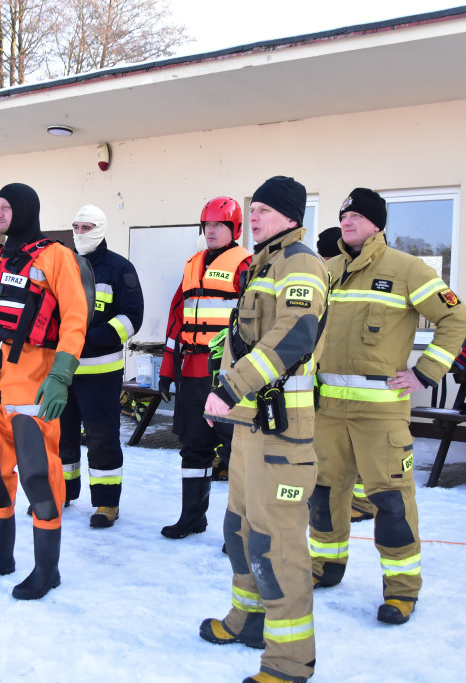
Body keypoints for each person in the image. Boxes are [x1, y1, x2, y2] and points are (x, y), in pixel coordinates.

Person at [308, 188, 466, 626]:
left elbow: (457, 318)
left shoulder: (407, 269)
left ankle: (401, 590)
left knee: (391, 503)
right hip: (327, 410)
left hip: (380, 413)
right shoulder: (327, 270)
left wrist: (425, 373)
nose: (347, 221)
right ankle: (324, 567)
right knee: (323, 494)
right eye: (343, 216)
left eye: (357, 216)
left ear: (377, 224)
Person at [200, 176, 327, 683]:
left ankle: (289, 662)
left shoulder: (302, 264)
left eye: (266, 210)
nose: (254, 217)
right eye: (253, 209)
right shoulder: (263, 264)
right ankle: (247, 619)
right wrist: (222, 394)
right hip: (250, 425)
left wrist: (231, 387)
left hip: (283, 432)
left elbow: (294, 335)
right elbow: (244, 340)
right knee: (240, 529)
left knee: (277, 545)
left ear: (292, 216)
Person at [0, 182, 92, 600]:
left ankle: (47, 570)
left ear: (25, 209)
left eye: (6, 207)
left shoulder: (56, 256)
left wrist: (61, 375)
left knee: (38, 478)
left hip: (32, 394)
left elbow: (76, 317)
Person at [157, 197, 251, 539]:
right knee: (193, 447)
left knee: (236, 452)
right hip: (192, 371)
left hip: (227, 374)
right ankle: (192, 517)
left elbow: (253, 323)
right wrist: (167, 370)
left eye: (218, 225)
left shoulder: (246, 265)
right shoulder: (191, 265)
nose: (211, 230)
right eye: (207, 225)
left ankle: (240, 529)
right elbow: (176, 321)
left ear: (234, 229)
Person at [59, 204, 143, 528]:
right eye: (76, 227)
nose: (79, 233)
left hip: (100, 372)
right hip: (63, 370)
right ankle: (61, 492)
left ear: (101, 228)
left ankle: (107, 502)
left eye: (86, 227)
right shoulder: (63, 265)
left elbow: (132, 317)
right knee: (61, 435)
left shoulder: (120, 268)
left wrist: (91, 339)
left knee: (102, 437)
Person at [315, 226, 377, 525]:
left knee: (357, 449)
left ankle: (363, 503)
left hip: (356, 385)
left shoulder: (344, 279)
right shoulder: (331, 279)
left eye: (324, 257)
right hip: (330, 382)